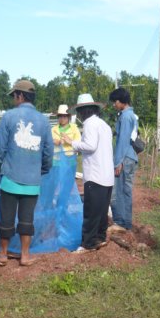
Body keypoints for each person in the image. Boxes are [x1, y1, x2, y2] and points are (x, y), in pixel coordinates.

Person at [0, 80, 53, 267]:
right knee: (27, 219)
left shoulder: (9, 117)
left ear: (20, 95)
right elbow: (48, 151)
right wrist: (41, 170)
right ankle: (25, 256)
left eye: (14, 96)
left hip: (10, 178)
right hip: (32, 181)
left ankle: (3, 254)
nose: (13, 99)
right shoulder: (44, 121)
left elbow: (0, 147)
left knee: (6, 217)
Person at [62, 93, 114, 253]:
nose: (79, 115)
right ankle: (100, 237)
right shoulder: (103, 125)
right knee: (101, 211)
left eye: (79, 112)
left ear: (83, 111)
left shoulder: (90, 125)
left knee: (91, 212)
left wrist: (72, 143)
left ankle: (88, 243)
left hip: (95, 175)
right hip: (107, 175)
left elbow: (90, 146)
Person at [108, 87, 138, 231]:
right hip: (130, 157)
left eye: (115, 102)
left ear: (121, 101)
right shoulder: (131, 115)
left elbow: (123, 141)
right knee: (125, 191)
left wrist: (118, 162)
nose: (114, 104)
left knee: (119, 191)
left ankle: (121, 223)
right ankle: (126, 223)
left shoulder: (125, 117)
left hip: (124, 158)